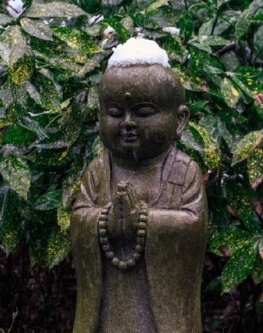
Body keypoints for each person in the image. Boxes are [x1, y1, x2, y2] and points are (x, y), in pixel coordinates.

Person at [70, 38, 208, 333]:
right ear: (99, 117)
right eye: (116, 113)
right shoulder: (98, 170)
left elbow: (194, 225)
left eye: (144, 113)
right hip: (110, 299)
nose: (128, 123)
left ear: (180, 120)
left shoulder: (183, 171)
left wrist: (144, 221)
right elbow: (80, 217)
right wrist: (103, 221)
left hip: (162, 311)